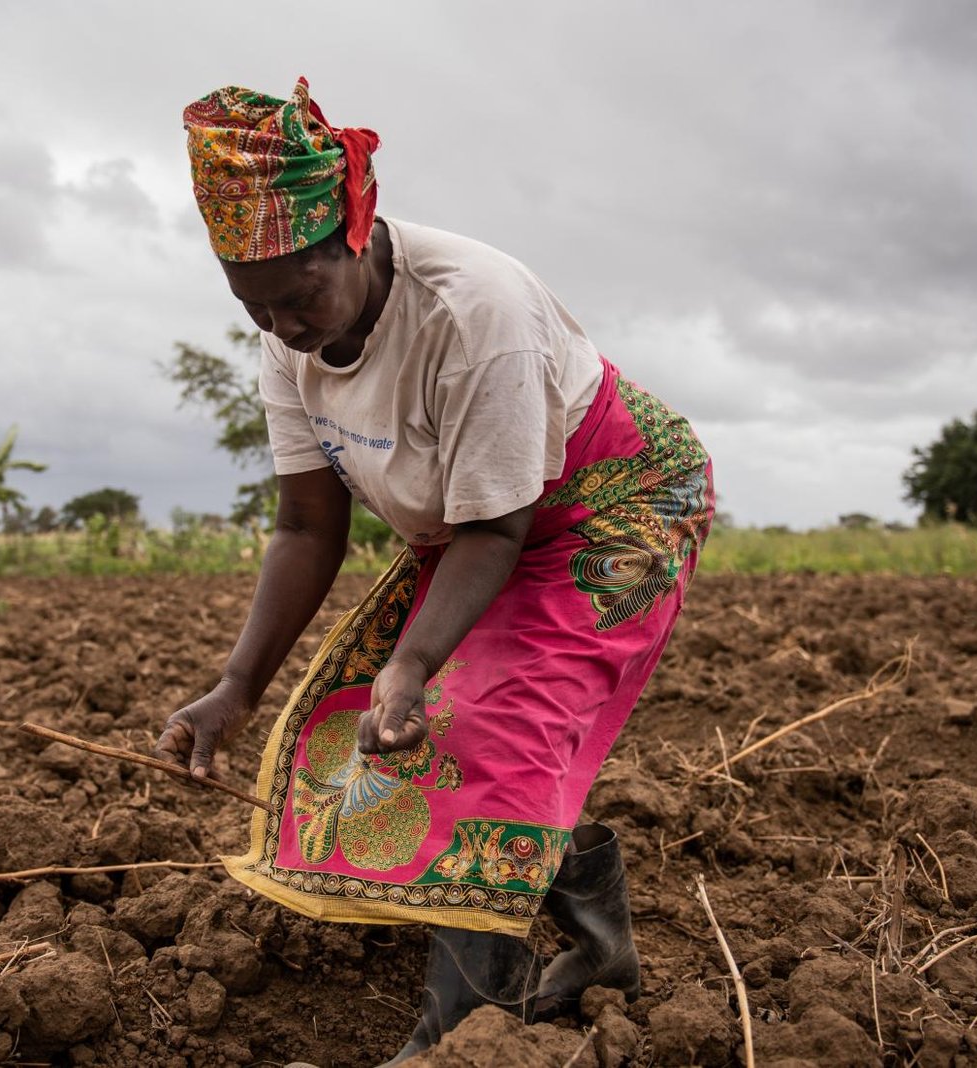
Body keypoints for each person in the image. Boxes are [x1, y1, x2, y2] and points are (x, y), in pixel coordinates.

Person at [157, 79, 714, 1065]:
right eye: (253, 306)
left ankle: (459, 1041)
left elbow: (498, 528)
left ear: (354, 233)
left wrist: (413, 665)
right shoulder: (287, 338)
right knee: (370, 726)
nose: (282, 328)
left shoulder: (473, 313)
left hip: (613, 500)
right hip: (474, 526)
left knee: (485, 727)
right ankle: (602, 951)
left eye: (299, 298)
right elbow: (306, 526)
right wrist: (237, 686)